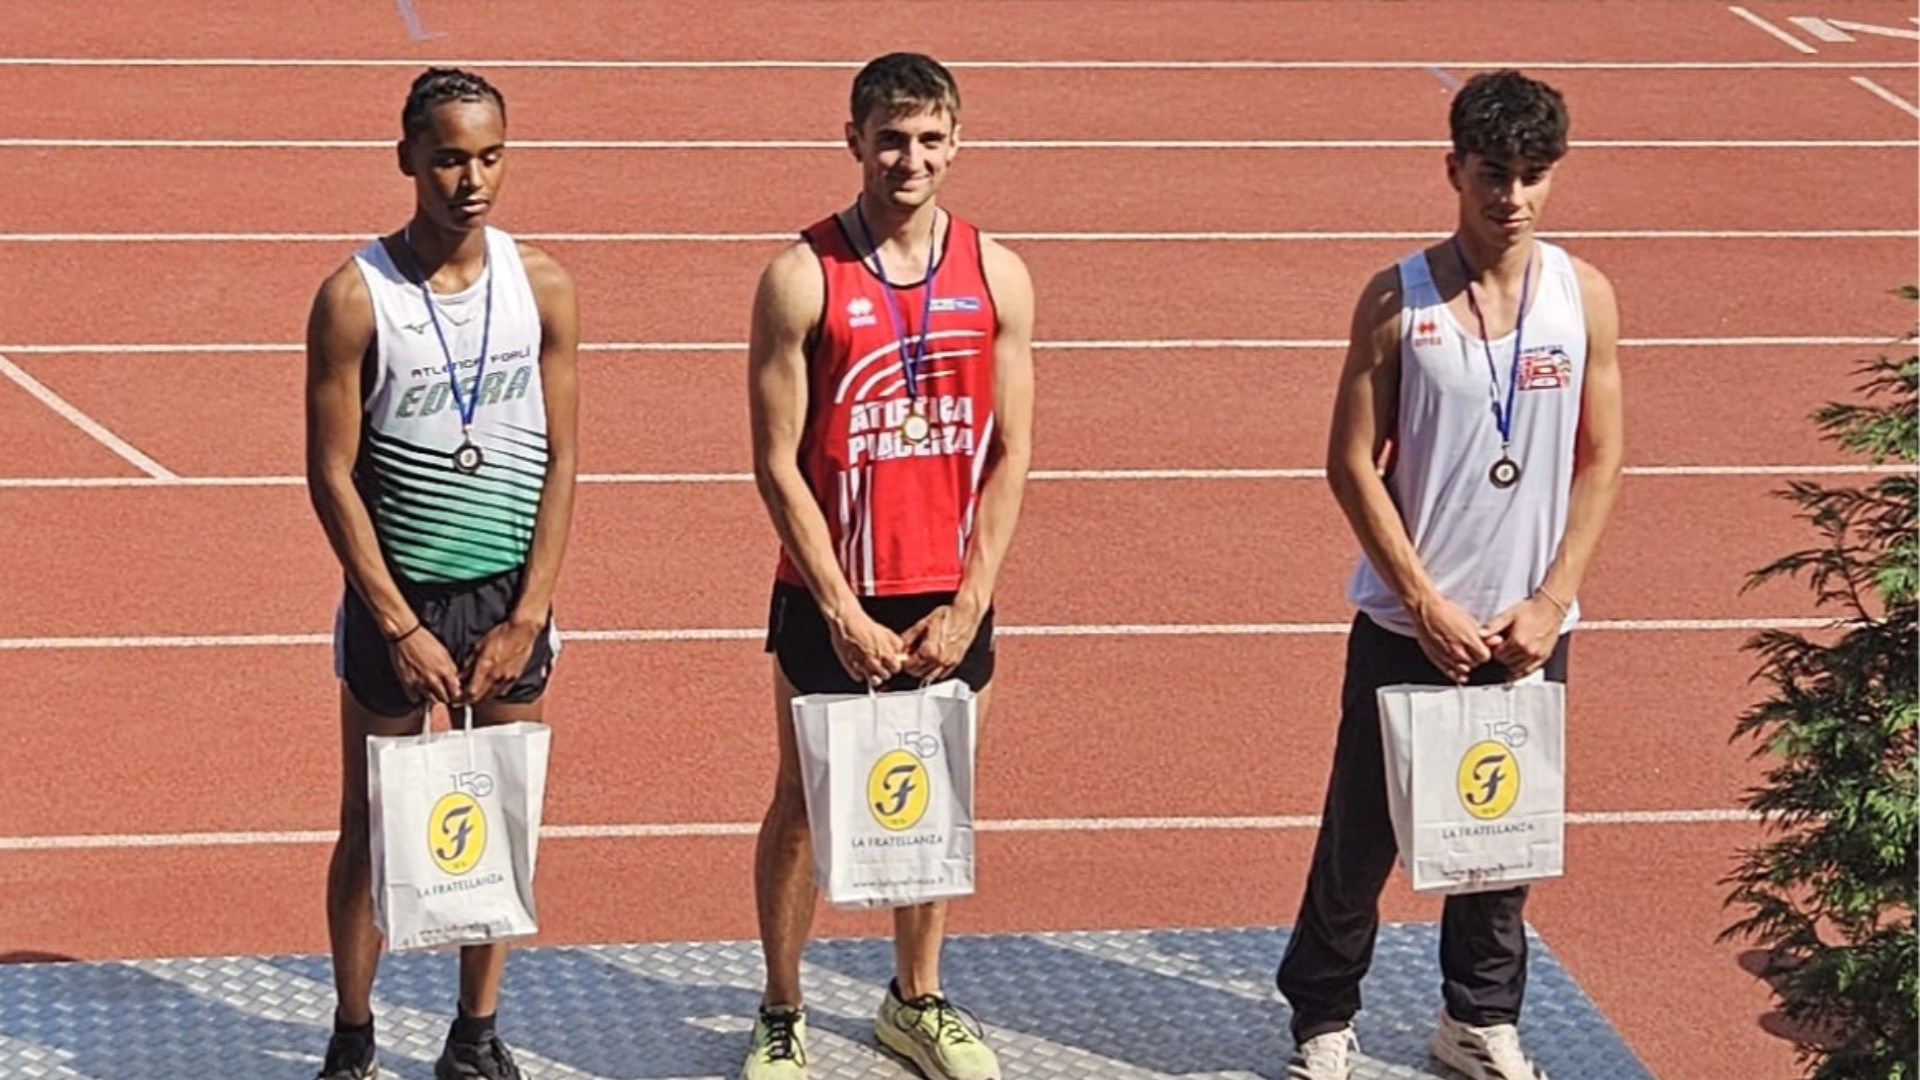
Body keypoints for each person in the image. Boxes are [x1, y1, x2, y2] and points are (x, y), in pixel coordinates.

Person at [1274, 70, 1624, 1080]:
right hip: (1409, 621)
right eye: (1492, 174)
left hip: (1527, 625)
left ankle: (1478, 1016)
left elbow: (1602, 457)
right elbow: (1351, 462)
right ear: (1453, 170)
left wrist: (1551, 600)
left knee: (1503, 831)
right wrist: (1422, 599)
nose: (1512, 197)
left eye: (1532, 175)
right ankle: (1323, 1015)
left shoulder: (1584, 298)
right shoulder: (1399, 298)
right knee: (1362, 834)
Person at [741, 51, 1036, 1080]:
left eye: (929, 139)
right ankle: (782, 1007)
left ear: (956, 143)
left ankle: (916, 998)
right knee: (800, 803)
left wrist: (971, 602)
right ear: (854, 142)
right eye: (890, 140)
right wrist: (839, 609)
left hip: (947, 591)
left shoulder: (996, 273)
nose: (910, 159)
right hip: (832, 589)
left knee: (936, 793)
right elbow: (775, 462)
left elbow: (1011, 452)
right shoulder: (801, 276)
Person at [303, 67, 579, 1080]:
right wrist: (399, 624)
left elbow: (563, 458)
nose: (473, 180)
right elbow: (331, 475)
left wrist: (530, 612)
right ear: (407, 158)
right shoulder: (356, 297)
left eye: (491, 157)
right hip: (399, 598)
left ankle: (475, 1035)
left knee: (499, 814)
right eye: (451, 158)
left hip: (508, 597)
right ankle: (352, 1033)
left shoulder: (542, 285)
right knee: (371, 823)